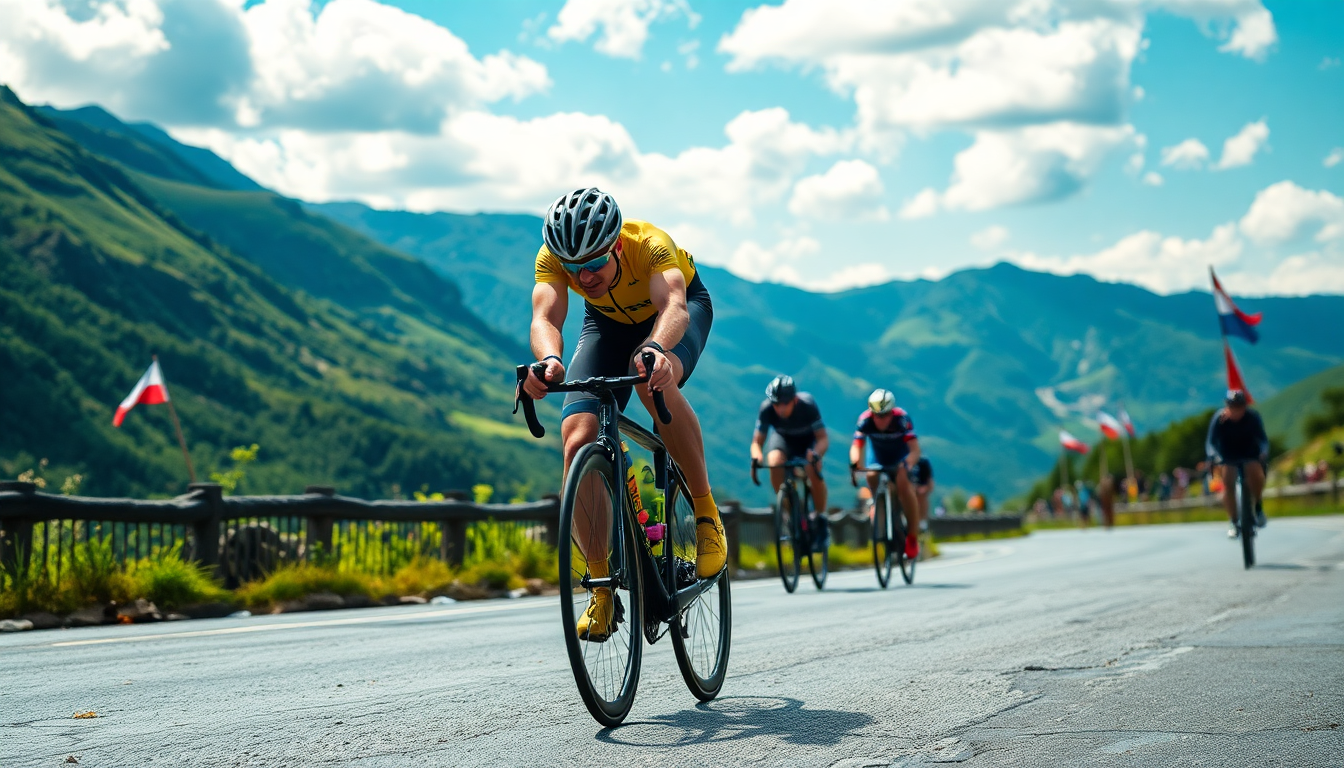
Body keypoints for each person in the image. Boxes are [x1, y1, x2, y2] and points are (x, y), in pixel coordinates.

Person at [522, 187, 723, 641]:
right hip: (606, 325)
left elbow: (674, 307)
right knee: (577, 439)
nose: (584, 276)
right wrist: (549, 361)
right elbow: (545, 319)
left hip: (676, 313)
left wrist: (656, 348)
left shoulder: (649, 244)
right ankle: (601, 587)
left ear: (615, 246)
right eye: (574, 268)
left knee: (652, 379)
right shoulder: (552, 259)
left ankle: (706, 515)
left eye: (594, 263)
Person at [847, 388, 923, 559]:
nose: (881, 420)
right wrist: (855, 463)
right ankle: (878, 503)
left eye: (886, 415)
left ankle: (912, 537)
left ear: (892, 411)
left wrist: (907, 464)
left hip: (900, 458)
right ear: (871, 413)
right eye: (877, 415)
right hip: (878, 459)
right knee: (871, 475)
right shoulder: (865, 420)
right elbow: (856, 446)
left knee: (903, 483)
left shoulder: (902, 419)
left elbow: (915, 450)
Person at [750, 375, 830, 535]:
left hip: (807, 442)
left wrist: (816, 454)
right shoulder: (766, 409)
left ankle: (820, 517)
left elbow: (823, 438)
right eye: (776, 404)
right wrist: (757, 457)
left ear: (795, 399)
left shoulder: (807, 405)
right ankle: (789, 511)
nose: (780, 408)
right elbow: (757, 442)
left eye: (785, 403)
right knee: (774, 462)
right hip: (783, 440)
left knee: (812, 468)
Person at [1205, 389, 1269, 539]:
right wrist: (1214, 456)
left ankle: (1258, 507)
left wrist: (1263, 452)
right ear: (1226, 406)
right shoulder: (1219, 419)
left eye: (1239, 407)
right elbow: (1210, 443)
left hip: (1250, 454)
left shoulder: (1252, 417)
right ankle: (1233, 521)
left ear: (1245, 406)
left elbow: (1263, 439)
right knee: (1228, 482)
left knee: (1255, 473)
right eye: (1232, 406)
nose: (1236, 411)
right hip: (1228, 456)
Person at [910, 456, 935, 530]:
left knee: (922, 495)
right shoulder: (902, 461)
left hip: (920, 487)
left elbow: (929, 482)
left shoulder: (923, 462)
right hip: (909, 488)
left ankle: (922, 521)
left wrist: (923, 489)